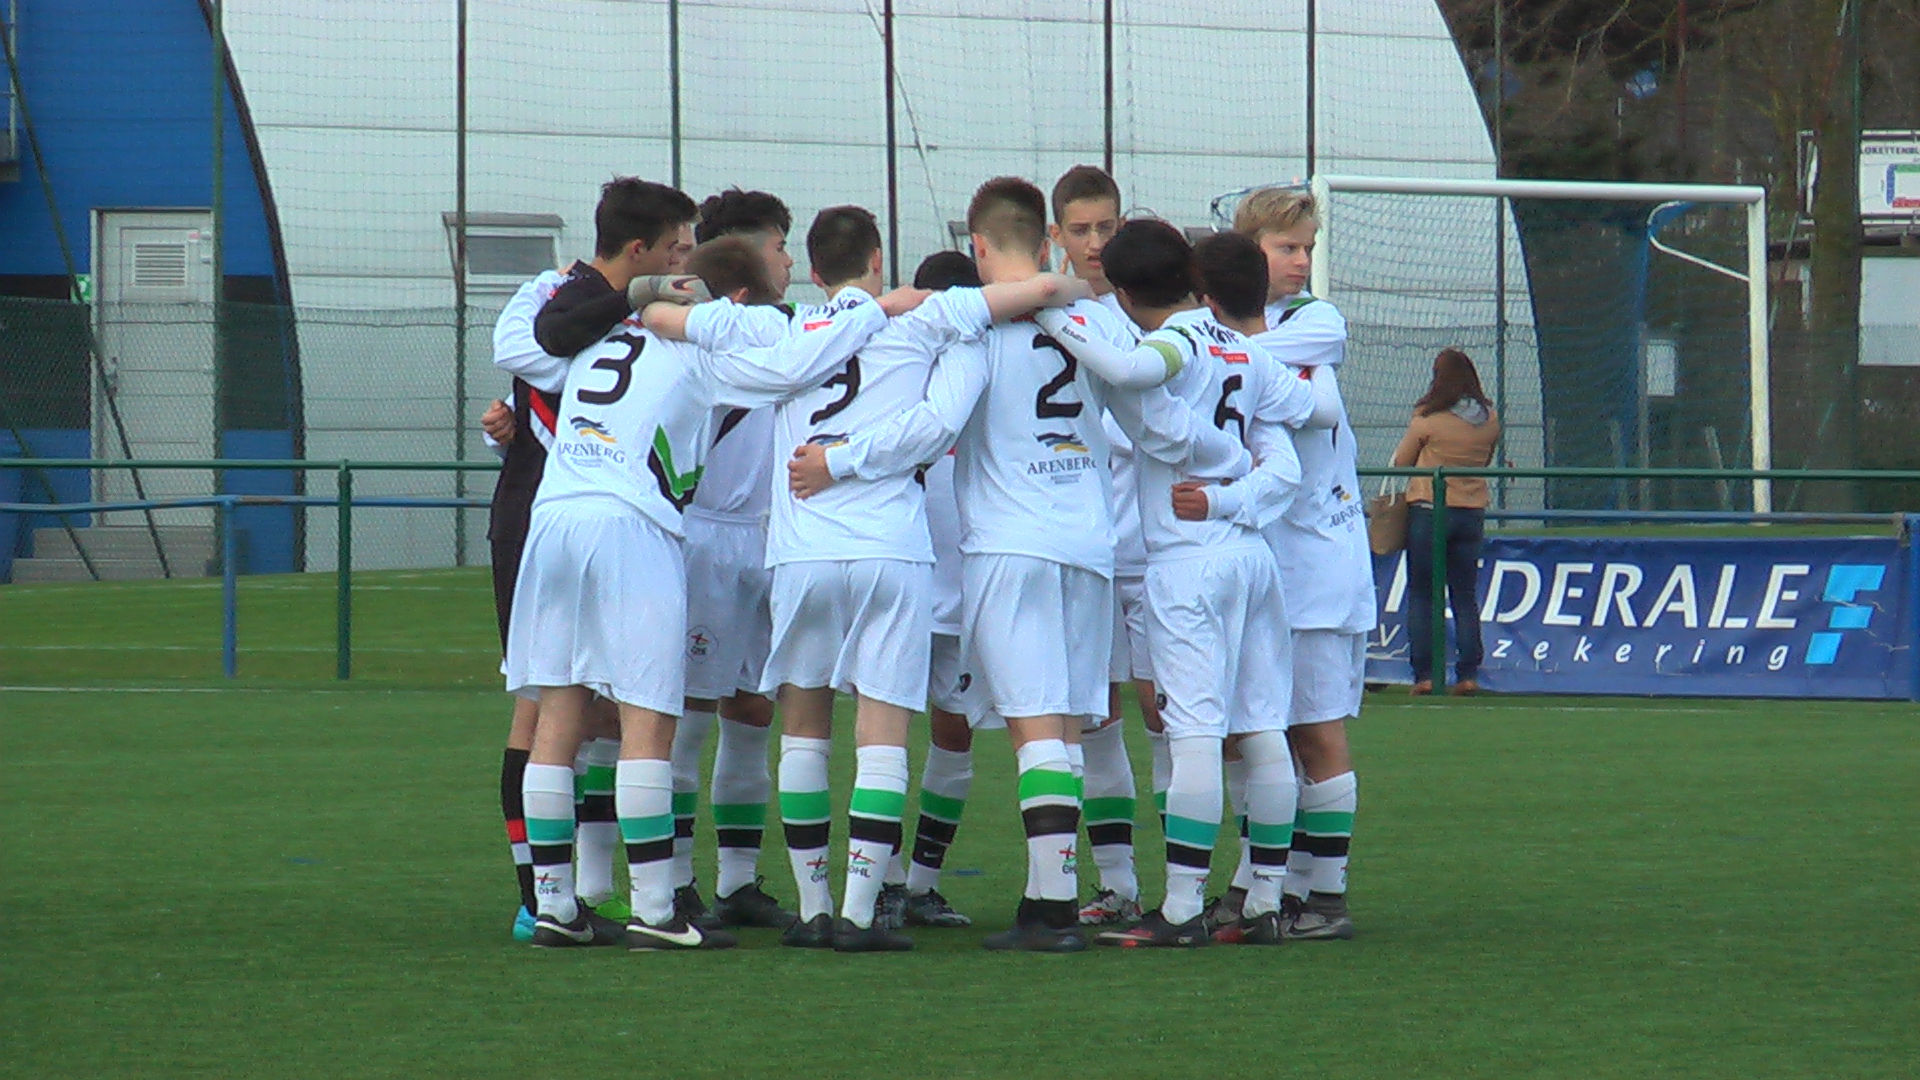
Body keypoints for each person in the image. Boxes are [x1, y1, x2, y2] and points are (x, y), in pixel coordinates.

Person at [656, 205, 1086, 952]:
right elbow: (940, 424)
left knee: (804, 728)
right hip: (891, 548)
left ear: (812, 271)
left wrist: (649, 302)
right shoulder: (929, 326)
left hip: (802, 552)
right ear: (880, 260)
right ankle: (860, 913)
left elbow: (690, 334)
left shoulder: (786, 331)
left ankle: (813, 908)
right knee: (883, 734)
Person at [508, 234, 891, 950]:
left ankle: (556, 904)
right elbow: (794, 363)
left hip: (554, 517)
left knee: (558, 714)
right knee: (650, 721)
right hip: (634, 526)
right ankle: (657, 911)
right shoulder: (706, 350)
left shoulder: (595, 336)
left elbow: (521, 346)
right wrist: (867, 310)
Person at [788, 177, 1128, 952]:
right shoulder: (1093, 316)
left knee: (1036, 728)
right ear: (1046, 238)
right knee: (1065, 728)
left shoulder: (976, 329)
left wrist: (840, 460)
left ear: (977, 246)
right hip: (1090, 543)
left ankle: (1054, 912)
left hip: (1013, 543)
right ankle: (1049, 896)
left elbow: (934, 425)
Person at [1036, 223, 1332, 946]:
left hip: (1186, 562)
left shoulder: (1172, 344)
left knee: (1194, 734)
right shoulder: (1246, 351)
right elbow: (1291, 454)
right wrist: (1232, 491)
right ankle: (1264, 901)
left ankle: (1180, 909)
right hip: (1252, 558)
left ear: (1124, 292)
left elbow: (1139, 386)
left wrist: (1052, 313)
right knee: (1262, 726)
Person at [480, 177, 701, 940]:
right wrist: (637, 307)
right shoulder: (552, 292)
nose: (685, 263)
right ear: (640, 250)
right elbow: (521, 350)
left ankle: (582, 892)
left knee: (594, 712)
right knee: (549, 705)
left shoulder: (643, 316)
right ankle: (542, 895)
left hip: (579, 504)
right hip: (544, 512)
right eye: (677, 249)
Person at [1234, 187, 1370, 941]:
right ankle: (1271, 887)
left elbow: (1249, 373)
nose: (1301, 261)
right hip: (1270, 564)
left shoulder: (1316, 322)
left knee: (1315, 731)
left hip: (1317, 564)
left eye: (1307, 248)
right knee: (1264, 732)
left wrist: (1219, 352)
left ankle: (1327, 898)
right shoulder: (1254, 334)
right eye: (1287, 247)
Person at [1048, 165, 1148, 927]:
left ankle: (1199, 886)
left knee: (1172, 715)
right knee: (1095, 718)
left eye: (1105, 228)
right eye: (1079, 230)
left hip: (1157, 549)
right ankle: (1119, 884)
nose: (1093, 243)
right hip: (1084, 551)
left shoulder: (1146, 317)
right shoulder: (1038, 312)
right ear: (1055, 235)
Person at [1392, 347, 1501, 696]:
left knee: (1423, 593)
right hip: (1472, 511)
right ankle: (1468, 673)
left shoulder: (1428, 418)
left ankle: (1425, 674)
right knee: (1464, 594)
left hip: (1430, 509)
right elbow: (1485, 460)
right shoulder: (1489, 418)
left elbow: (1402, 462)